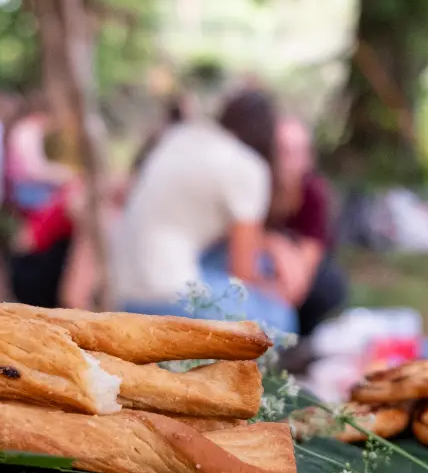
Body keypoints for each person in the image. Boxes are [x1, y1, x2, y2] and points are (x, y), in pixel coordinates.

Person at [106, 88, 296, 333]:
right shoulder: (249, 166)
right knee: (281, 318)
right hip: (163, 296)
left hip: (120, 291)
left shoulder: (180, 137)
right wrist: (275, 289)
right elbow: (243, 273)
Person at [266, 116, 347, 337]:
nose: (290, 160)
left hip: (299, 276)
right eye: (283, 150)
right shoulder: (258, 185)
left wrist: (288, 263)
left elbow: (305, 267)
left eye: (299, 151)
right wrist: (277, 245)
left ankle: (299, 340)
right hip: (263, 270)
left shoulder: (314, 193)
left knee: (327, 286)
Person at [4, 93, 74, 212]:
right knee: (71, 202)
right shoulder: (29, 132)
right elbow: (33, 170)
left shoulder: (25, 129)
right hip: (26, 189)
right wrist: (63, 175)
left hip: (25, 185)